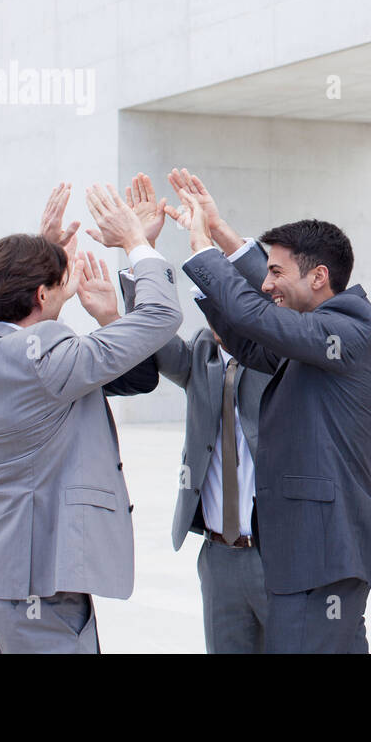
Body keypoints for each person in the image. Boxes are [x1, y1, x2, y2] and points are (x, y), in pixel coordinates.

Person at [0, 182, 182, 653]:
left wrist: (37, 257)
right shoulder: (47, 360)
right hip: (36, 586)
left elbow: (11, 334)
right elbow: (161, 315)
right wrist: (136, 244)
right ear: (42, 295)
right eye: (63, 281)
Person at [167, 168, 371, 653]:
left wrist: (202, 250)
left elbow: (256, 316)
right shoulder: (305, 338)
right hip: (298, 555)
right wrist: (221, 235)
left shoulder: (352, 328)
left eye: (276, 273)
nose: (266, 283)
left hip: (321, 554)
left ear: (319, 277)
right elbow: (247, 333)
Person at [117, 174, 276, 652]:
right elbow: (152, 338)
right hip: (218, 556)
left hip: (279, 554)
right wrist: (139, 252)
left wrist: (214, 234)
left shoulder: (284, 356)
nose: (213, 310)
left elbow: (272, 296)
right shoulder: (202, 355)